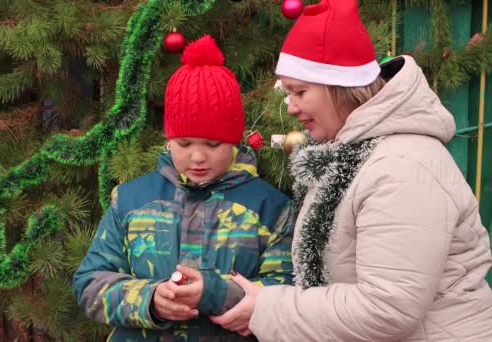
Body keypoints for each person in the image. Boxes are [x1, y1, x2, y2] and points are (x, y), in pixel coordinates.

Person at [208, 0, 492, 340]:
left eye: (300, 91)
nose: (292, 107)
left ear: (341, 87)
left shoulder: (402, 166)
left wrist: (268, 308)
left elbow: (387, 307)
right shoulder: (352, 152)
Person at [72, 35, 294, 341]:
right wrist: (150, 299)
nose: (198, 156)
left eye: (213, 144)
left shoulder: (270, 207)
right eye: (184, 143)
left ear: (233, 141)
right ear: (168, 138)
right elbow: (89, 284)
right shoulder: (131, 200)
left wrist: (216, 292)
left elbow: (288, 293)